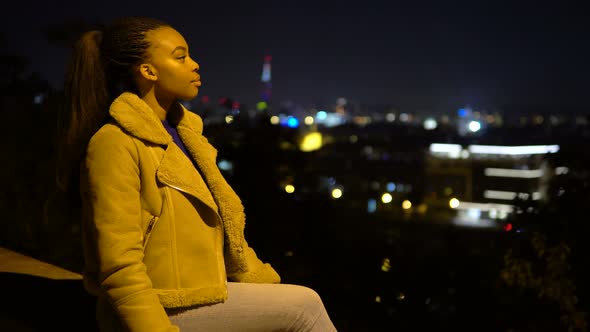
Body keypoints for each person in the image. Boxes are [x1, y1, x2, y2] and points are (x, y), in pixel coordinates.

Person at [55, 16, 337, 332]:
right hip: (158, 308)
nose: (195, 64)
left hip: (200, 293)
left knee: (296, 303)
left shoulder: (187, 137)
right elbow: (118, 265)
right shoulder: (114, 143)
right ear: (147, 71)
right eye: (181, 56)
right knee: (305, 307)